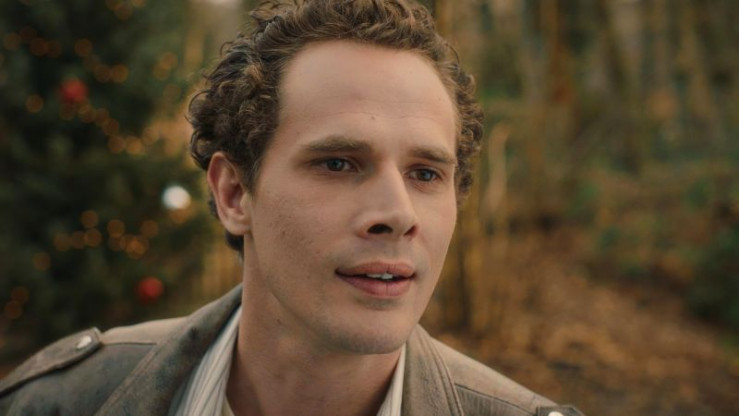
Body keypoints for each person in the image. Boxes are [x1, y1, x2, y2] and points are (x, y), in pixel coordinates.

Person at [0, 1, 584, 415]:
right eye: (339, 163)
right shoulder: (60, 403)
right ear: (234, 194)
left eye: (426, 173)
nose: (398, 212)